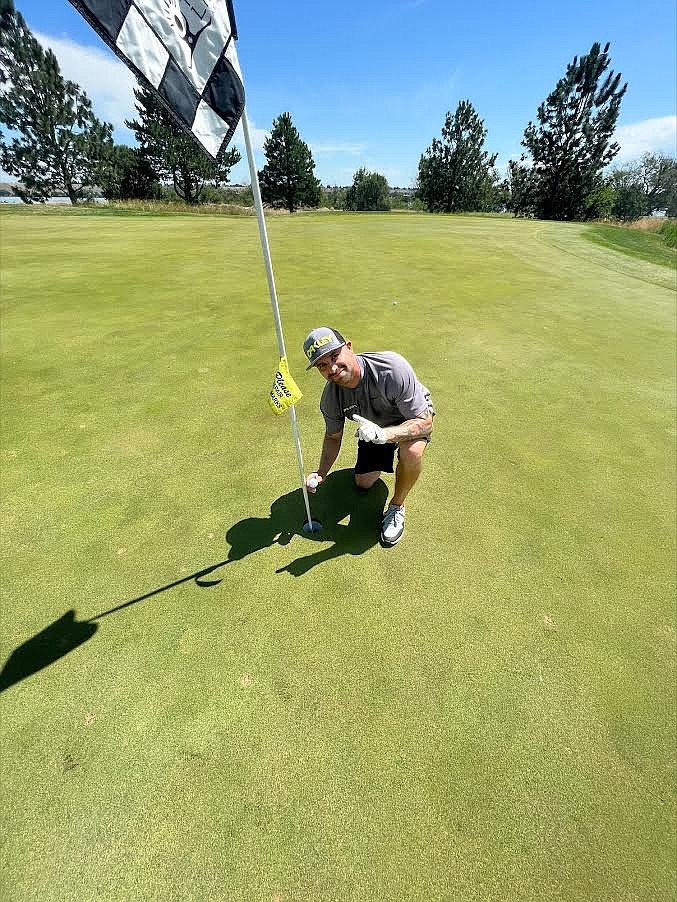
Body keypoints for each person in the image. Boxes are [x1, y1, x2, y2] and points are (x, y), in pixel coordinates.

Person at [303, 326, 434, 546]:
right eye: (322, 365)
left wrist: (386, 434)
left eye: (335, 356)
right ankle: (382, 459)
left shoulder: (391, 368)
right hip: (373, 430)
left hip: (408, 419)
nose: (332, 368)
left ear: (349, 347)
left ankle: (397, 507)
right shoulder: (331, 397)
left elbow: (425, 423)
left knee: (411, 452)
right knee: (363, 484)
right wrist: (322, 473)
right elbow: (333, 438)